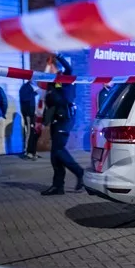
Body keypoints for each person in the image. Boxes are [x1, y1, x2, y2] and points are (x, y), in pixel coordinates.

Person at [41, 54, 84, 196]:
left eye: (51, 67)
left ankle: (79, 172)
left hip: (64, 118)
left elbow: (69, 68)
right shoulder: (52, 83)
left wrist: (58, 56)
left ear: (56, 68)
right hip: (55, 120)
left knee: (59, 150)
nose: (48, 69)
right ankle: (58, 186)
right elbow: (49, 104)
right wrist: (44, 122)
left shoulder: (65, 77)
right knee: (55, 155)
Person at [19, 81, 37, 157]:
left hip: (31, 113)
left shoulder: (29, 87)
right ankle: (27, 150)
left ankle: (31, 150)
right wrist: (34, 93)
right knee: (29, 132)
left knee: (32, 132)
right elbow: (25, 98)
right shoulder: (25, 88)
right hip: (28, 114)